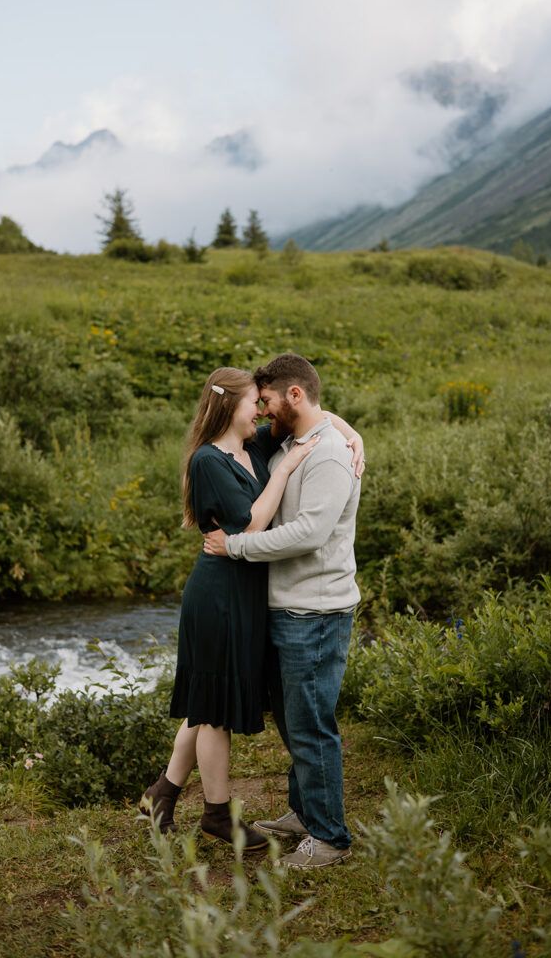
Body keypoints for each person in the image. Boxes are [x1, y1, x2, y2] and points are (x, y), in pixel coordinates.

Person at [140, 366, 360, 852]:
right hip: (219, 592)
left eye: (263, 403)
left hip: (247, 591)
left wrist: (349, 431)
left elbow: (308, 417)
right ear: (229, 407)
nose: (260, 411)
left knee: (209, 700)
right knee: (213, 706)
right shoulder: (208, 461)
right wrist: (286, 468)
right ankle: (217, 814)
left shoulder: (252, 446)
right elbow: (249, 529)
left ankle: (163, 794)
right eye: (252, 404)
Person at [204, 353, 362, 868]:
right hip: (288, 607)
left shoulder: (330, 455)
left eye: (269, 400)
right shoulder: (293, 442)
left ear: (294, 395)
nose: (265, 412)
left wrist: (237, 547)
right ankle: (306, 814)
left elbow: (310, 534)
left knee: (312, 726)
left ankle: (331, 839)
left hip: (315, 614)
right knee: (295, 724)